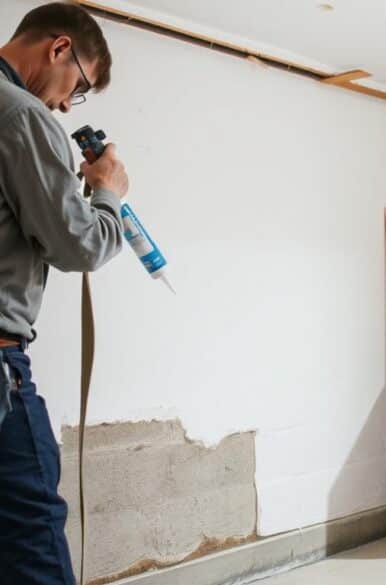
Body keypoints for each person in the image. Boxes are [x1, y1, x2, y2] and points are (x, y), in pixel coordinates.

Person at [0, 3, 129, 583]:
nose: (63, 105)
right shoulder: (20, 115)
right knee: (30, 538)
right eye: (78, 88)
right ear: (58, 50)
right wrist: (106, 194)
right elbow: (80, 247)